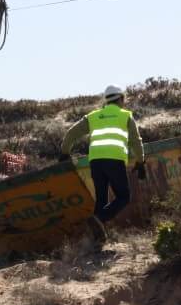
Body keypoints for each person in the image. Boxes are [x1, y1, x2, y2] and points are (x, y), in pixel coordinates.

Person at [60, 84, 144, 241]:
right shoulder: (125, 116)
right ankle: (99, 219)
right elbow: (136, 141)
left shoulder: (93, 116)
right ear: (121, 99)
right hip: (114, 160)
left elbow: (71, 133)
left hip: (96, 162)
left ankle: (98, 239)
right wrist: (140, 161)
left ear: (106, 100)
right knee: (123, 196)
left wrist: (65, 152)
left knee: (101, 199)